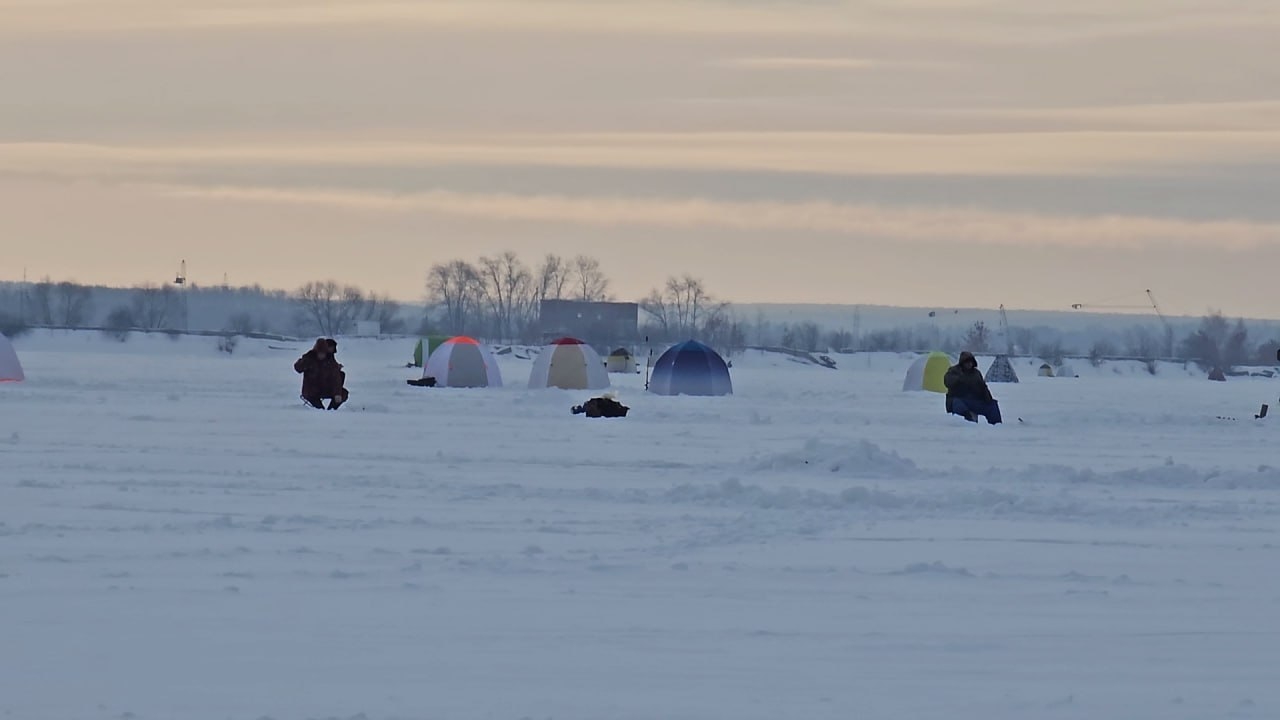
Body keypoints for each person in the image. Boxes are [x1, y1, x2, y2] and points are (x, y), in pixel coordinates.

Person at [944, 351, 1002, 424]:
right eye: (966, 362)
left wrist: (988, 398)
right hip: (959, 400)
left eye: (970, 362)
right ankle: (967, 418)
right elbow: (947, 382)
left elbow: (983, 387)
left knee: (992, 405)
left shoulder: (976, 373)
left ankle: (997, 425)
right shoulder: (954, 371)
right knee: (957, 403)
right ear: (962, 363)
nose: (969, 364)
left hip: (974, 401)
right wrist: (959, 378)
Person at [294, 338, 349, 410]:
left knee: (343, 393)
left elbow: (336, 379)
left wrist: (337, 393)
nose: (321, 355)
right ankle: (322, 411)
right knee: (320, 409)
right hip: (311, 391)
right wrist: (304, 362)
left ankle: (331, 410)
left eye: (323, 353)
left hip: (324, 389)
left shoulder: (330, 361)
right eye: (320, 353)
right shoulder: (309, 358)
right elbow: (298, 368)